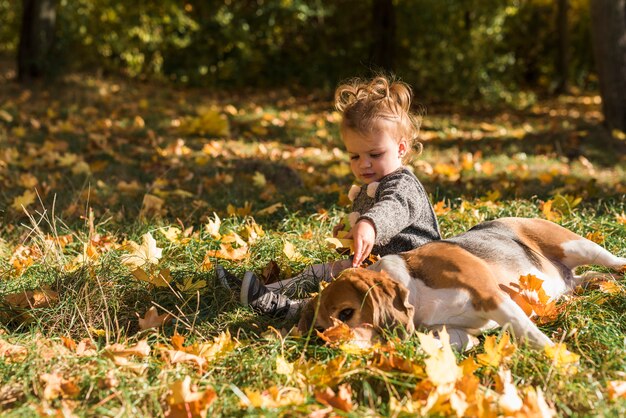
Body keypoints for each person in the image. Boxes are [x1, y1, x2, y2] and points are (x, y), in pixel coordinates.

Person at [217, 75, 441, 319]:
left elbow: (392, 208)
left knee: (345, 290)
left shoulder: (402, 184)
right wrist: (350, 235)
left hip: (414, 277)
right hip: (381, 267)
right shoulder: (372, 184)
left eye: (375, 154)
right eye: (354, 156)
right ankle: (261, 293)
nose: (364, 164)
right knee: (321, 271)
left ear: (401, 148)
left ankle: (292, 310)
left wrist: (369, 224)